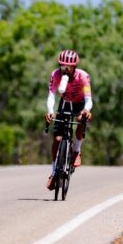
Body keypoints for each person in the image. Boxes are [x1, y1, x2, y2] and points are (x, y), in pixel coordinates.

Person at [45, 50, 93, 190]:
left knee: (79, 119)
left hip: (79, 104)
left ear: (74, 67)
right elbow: (52, 95)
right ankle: (54, 172)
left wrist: (86, 110)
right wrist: (50, 111)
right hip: (65, 103)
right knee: (58, 139)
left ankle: (76, 151)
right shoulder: (55, 75)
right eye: (63, 66)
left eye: (69, 67)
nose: (65, 70)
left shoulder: (83, 76)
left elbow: (89, 99)